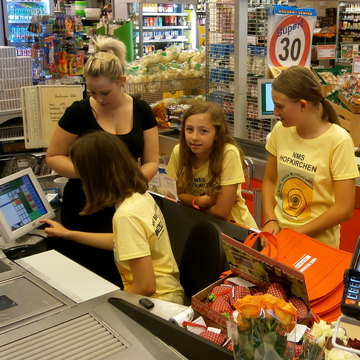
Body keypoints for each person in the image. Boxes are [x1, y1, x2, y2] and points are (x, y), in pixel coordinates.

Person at [45, 35, 159, 287]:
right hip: (87, 206)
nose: (98, 98)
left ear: (122, 82)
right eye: (91, 91)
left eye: (105, 92)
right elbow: (53, 156)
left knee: (127, 277)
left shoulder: (141, 110)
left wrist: (130, 182)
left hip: (127, 205)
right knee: (89, 278)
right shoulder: (79, 111)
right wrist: (92, 174)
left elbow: (151, 160)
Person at [42, 132, 184, 305]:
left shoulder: (126, 216)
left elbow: (146, 286)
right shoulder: (139, 196)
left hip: (157, 302)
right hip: (169, 291)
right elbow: (122, 241)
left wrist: (104, 304)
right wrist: (68, 234)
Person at [261, 66, 359, 248]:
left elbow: (344, 209)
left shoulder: (338, 140)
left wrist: (296, 234)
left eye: (280, 106)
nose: (275, 112)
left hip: (319, 246)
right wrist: (269, 221)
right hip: (280, 240)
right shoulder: (280, 131)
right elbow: (270, 180)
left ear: (303, 105)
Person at [165, 101, 258, 229]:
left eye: (203, 131)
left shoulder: (228, 153)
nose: (194, 137)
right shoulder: (179, 151)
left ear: (216, 134)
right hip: (200, 224)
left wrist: (191, 203)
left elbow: (221, 212)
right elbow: (178, 195)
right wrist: (199, 201)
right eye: (189, 129)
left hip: (235, 228)